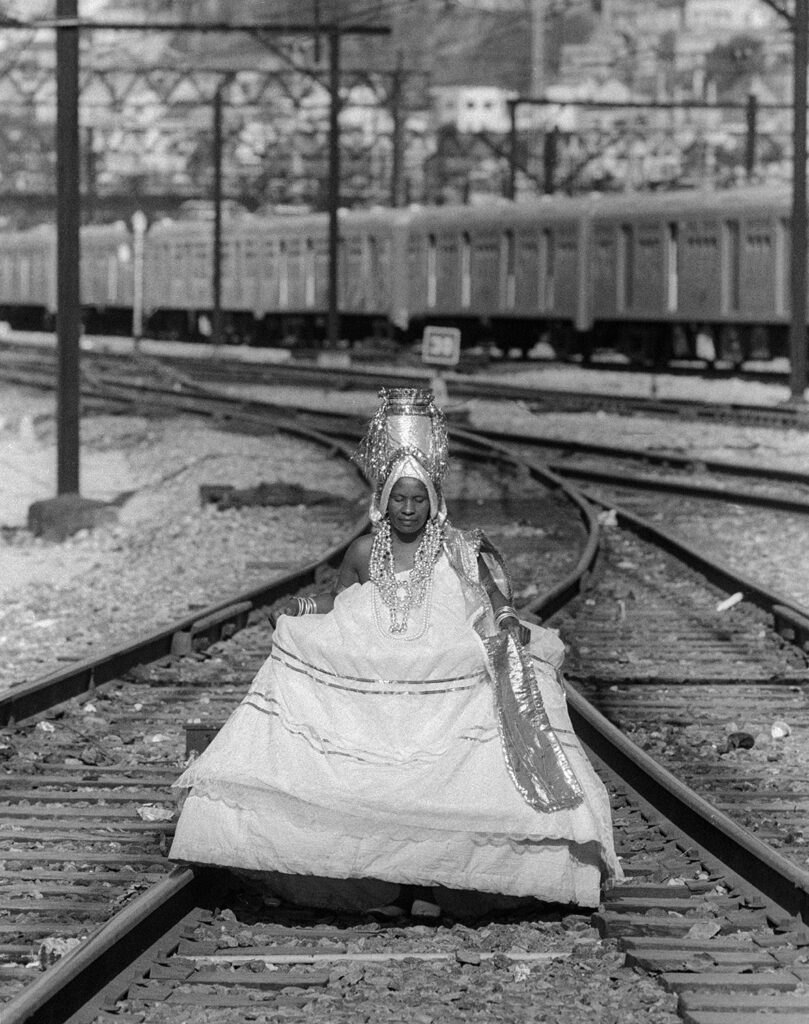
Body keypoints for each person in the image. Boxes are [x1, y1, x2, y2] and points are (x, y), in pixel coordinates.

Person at [169, 387, 622, 917]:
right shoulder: (365, 550)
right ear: (382, 501)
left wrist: (506, 623)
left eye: (418, 499)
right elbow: (338, 601)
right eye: (399, 499)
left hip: (441, 664)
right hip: (374, 663)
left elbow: (496, 599)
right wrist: (298, 607)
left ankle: (454, 876)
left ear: (434, 502)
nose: (409, 509)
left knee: (501, 695)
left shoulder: (457, 547)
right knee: (303, 672)